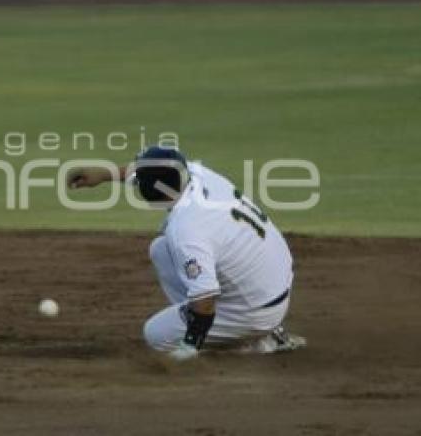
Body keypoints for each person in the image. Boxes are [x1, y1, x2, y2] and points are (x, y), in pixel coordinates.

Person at [68, 146, 306, 360]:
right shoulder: (197, 175)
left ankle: (253, 341)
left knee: (156, 334)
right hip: (274, 277)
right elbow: (157, 174)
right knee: (161, 250)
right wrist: (104, 175)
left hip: (254, 310)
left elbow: (205, 299)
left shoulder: (187, 229)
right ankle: (262, 329)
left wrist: (189, 346)